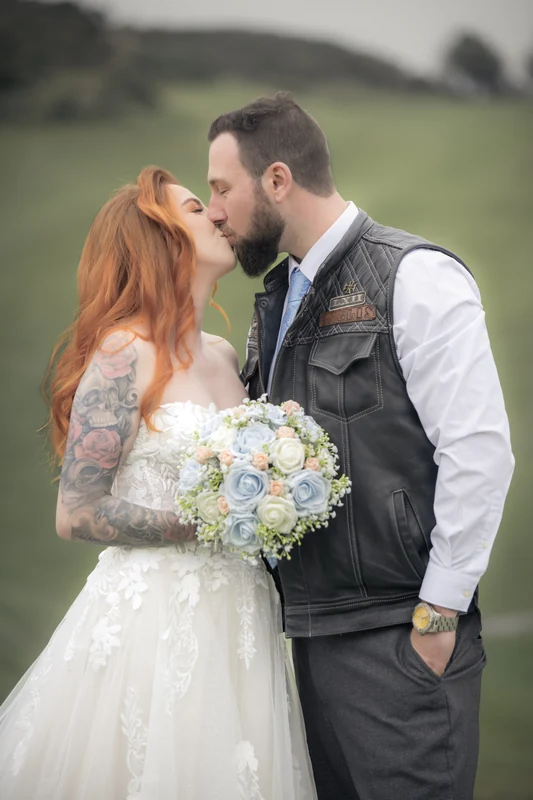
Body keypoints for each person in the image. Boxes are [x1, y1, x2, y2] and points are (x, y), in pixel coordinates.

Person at [206, 93, 515, 800]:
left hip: (396, 639)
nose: (214, 209)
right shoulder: (278, 297)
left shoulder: (415, 276)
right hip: (311, 643)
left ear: (277, 180)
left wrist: (435, 621)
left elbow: (478, 454)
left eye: (222, 189)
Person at [0, 167, 317, 800]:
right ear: (161, 239)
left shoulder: (227, 354)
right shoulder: (124, 352)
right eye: (198, 208)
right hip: (156, 618)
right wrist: (211, 519)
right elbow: (77, 512)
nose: (219, 216)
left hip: (243, 614)